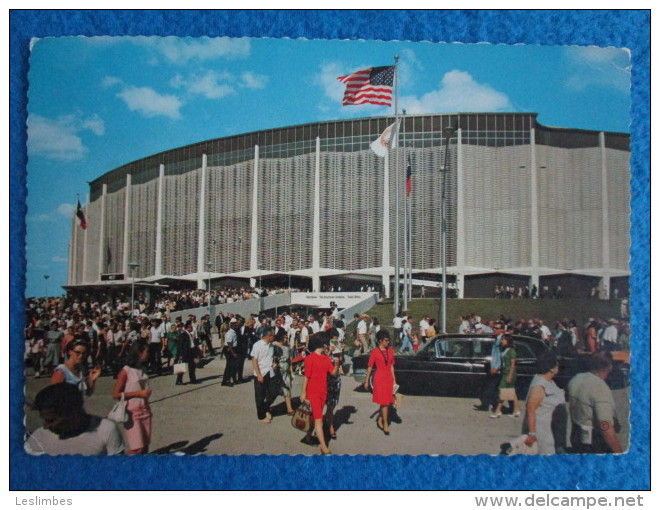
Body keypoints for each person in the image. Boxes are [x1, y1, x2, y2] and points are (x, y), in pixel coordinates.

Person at [25, 383, 125, 455]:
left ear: (73, 414)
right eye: (44, 420)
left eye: (51, 421)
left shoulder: (106, 429)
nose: (45, 427)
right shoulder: (38, 438)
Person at [567, 351, 623, 453]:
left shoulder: (576, 379)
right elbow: (604, 424)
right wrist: (618, 451)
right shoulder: (600, 388)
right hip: (595, 443)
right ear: (609, 367)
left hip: (576, 435)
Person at [300, 332, 339, 454]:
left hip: (323, 391)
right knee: (318, 419)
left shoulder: (326, 358)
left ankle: (307, 437)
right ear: (322, 344)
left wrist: (337, 364)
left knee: (314, 416)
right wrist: (303, 393)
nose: (328, 345)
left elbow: (332, 372)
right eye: (326, 343)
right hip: (313, 392)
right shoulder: (310, 358)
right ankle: (323, 446)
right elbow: (306, 376)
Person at [522, 351, 567, 454]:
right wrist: (532, 434)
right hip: (542, 433)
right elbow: (531, 408)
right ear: (551, 368)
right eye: (556, 364)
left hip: (552, 431)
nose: (558, 366)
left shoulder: (549, 381)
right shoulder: (539, 385)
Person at [112, 341, 152, 455]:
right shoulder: (126, 370)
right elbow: (115, 394)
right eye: (146, 351)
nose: (148, 354)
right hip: (132, 413)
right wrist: (139, 393)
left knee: (145, 446)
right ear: (139, 353)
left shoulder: (143, 368)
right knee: (136, 448)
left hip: (145, 410)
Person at [364, 329, 396, 435]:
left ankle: (380, 418)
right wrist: (367, 381)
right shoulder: (375, 352)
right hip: (379, 379)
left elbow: (391, 366)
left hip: (388, 378)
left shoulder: (390, 350)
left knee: (387, 401)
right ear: (380, 341)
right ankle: (385, 423)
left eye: (389, 340)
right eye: (386, 340)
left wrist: (394, 380)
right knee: (384, 402)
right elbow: (369, 367)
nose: (388, 342)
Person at [250, 326, 280, 423]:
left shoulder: (271, 345)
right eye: (273, 336)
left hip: (270, 372)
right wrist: (258, 374)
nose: (274, 337)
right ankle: (262, 415)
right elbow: (254, 360)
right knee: (259, 396)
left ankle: (265, 408)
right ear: (268, 336)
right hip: (261, 373)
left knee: (274, 392)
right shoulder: (257, 345)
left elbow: (271, 357)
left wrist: (274, 364)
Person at [490, 334, 520, 418]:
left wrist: (510, 375)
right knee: (510, 391)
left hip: (509, 373)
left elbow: (513, 364)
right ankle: (516, 410)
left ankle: (497, 411)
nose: (502, 341)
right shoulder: (505, 349)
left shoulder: (511, 351)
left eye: (504, 340)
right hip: (504, 372)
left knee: (503, 391)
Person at [221, 318, 240, 386]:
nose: (237, 326)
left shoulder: (234, 332)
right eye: (235, 325)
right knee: (229, 366)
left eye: (237, 325)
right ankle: (226, 380)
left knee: (233, 366)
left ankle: (231, 379)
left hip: (233, 348)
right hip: (229, 350)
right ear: (231, 326)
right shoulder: (230, 333)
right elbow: (229, 344)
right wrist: (233, 353)